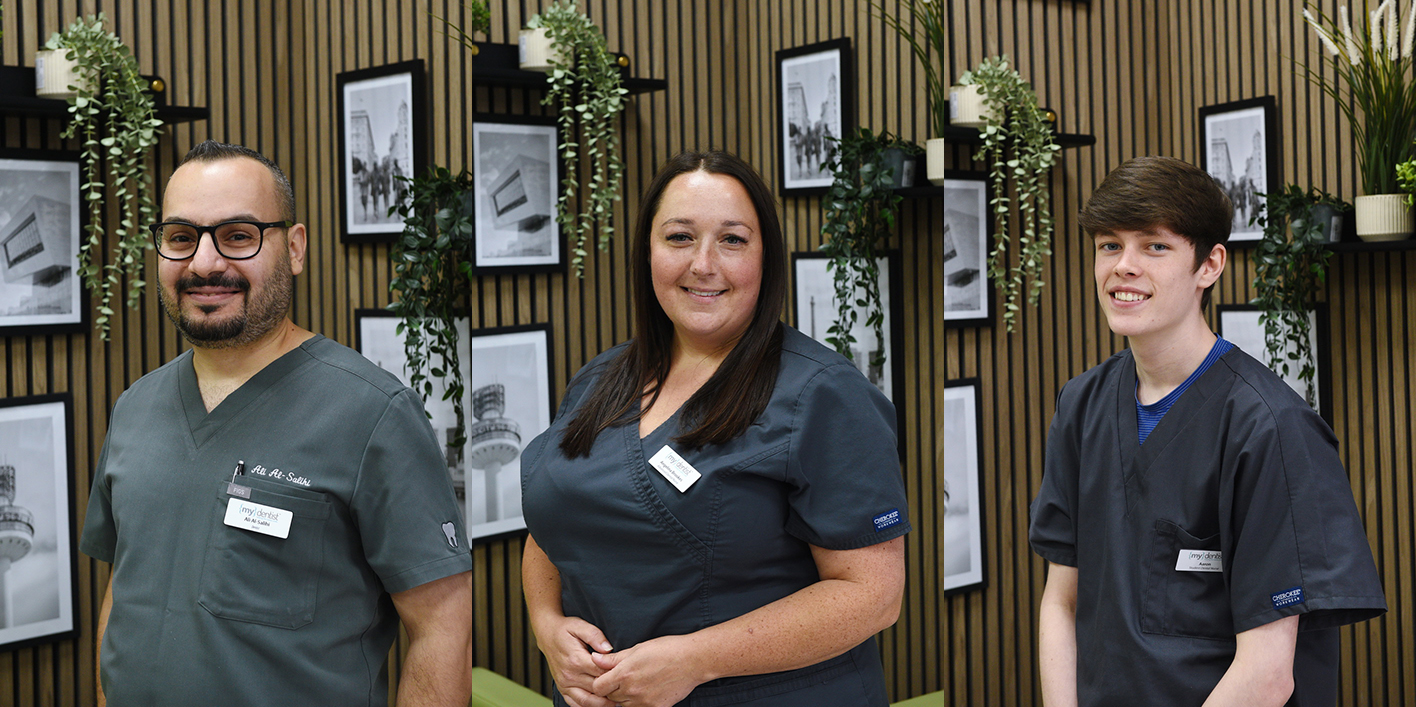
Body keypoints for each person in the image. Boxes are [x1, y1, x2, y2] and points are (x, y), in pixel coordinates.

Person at [79, 140, 474, 706]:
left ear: (293, 247)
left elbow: (440, 629)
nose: (205, 263)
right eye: (181, 238)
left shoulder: (374, 416)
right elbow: (124, 589)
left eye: (238, 236)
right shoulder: (135, 407)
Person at [518, 150, 911, 707]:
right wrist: (546, 624)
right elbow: (553, 520)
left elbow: (873, 596)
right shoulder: (601, 380)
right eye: (679, 237)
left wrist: (696, 660)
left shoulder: (824, 394)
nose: (704, 264)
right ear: (647, 252)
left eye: (732, 240)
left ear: (765, 259)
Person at [1029, 156, 1386, 707]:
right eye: (1108, 245)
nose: (1123, 266)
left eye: (1154, 246)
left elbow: (1268, 675)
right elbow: (1063, 602)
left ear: (1209, 265)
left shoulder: (1269, 427)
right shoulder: (1082, 405)